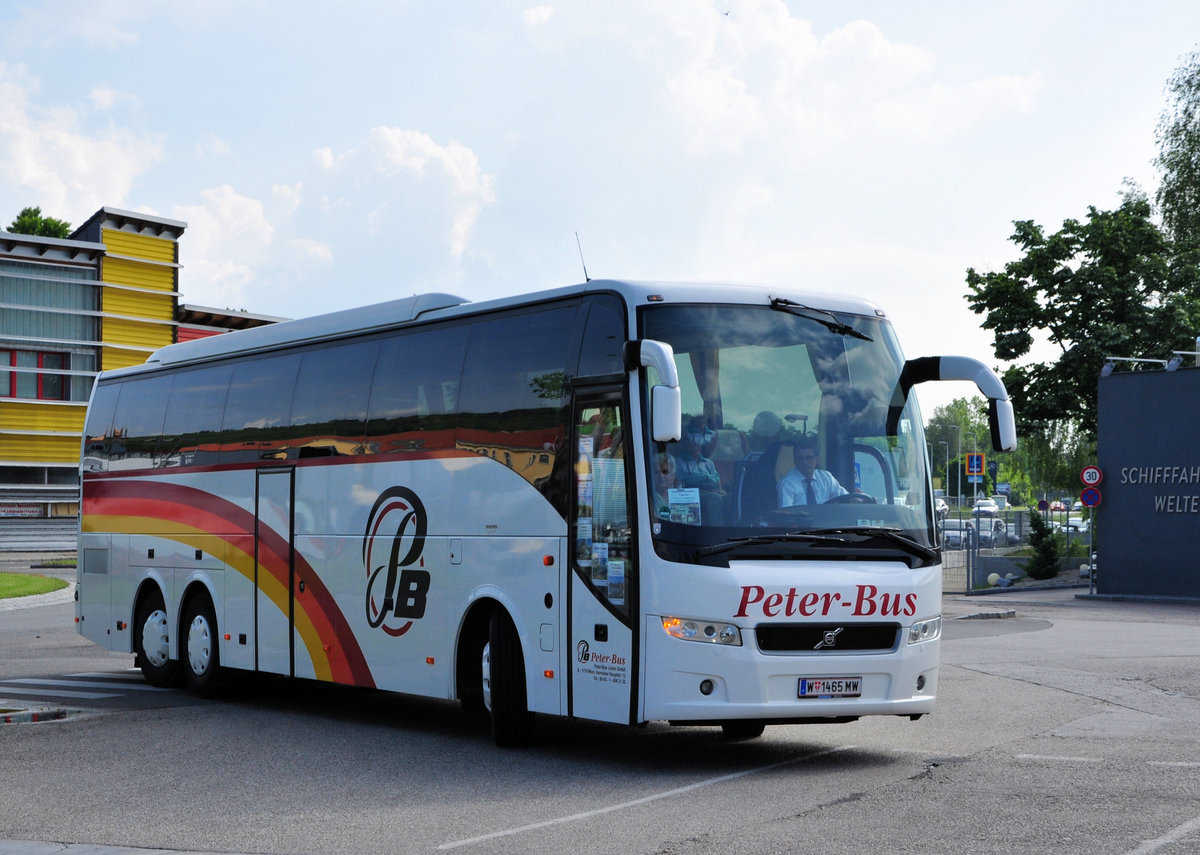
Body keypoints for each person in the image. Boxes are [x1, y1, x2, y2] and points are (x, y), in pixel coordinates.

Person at [777, 437, 847, 507]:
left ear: (818, 459)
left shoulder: (826, 478)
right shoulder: (787, 484)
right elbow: (786, 515)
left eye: (809, 458)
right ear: (794, 460)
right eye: (800, 459)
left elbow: (846, 498)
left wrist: (855, 501)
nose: (804, 462)